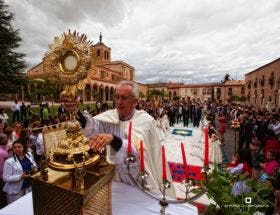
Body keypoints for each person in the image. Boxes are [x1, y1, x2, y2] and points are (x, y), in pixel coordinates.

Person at [85, 80, 176, 198]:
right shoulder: (110, 116)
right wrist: (78, 115)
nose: (119, 102)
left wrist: (114, 140)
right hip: (115, 178)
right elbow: (93, 127)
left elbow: (137, 148)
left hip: (139, 180)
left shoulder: (145, 121)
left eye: (124, 98)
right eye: (117, 97)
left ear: (135, 102)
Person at [3, 138, 37, 204]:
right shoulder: (9, 161)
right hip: (15, 190)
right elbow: (6, 178)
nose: (17, 149)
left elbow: (33, 163)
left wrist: (34, 168)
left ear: (23, 147)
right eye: (15, 147)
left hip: (28, 186)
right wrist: (20, 176)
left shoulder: (28, 155)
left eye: (19, 147)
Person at [0, 134, 9, 208]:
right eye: (7, 139)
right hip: (3, 177)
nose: (8, 140)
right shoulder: (1, 152)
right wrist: (3, 177)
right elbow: (1, 166)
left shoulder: (4, 149)